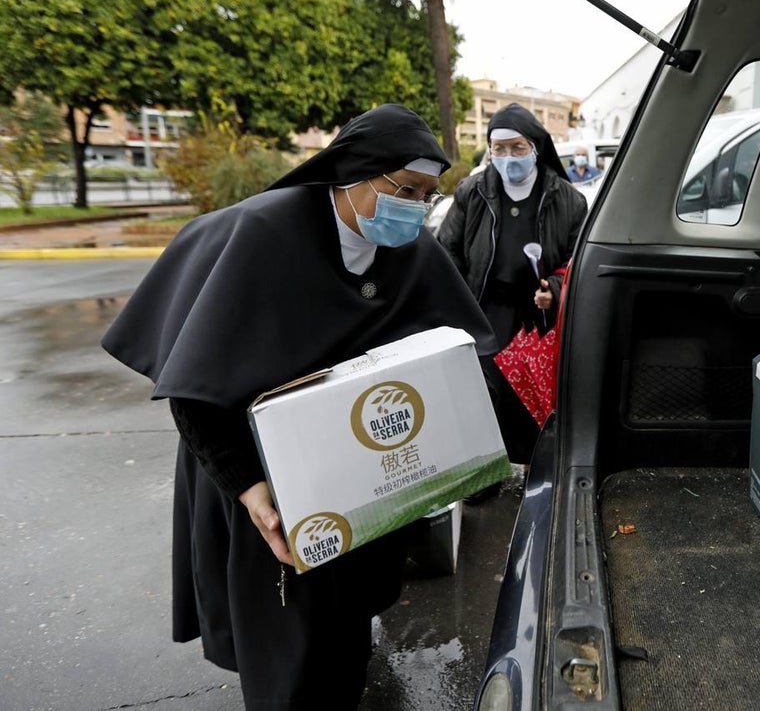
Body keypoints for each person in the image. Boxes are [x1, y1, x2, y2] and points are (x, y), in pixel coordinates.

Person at [101, 104, 497, 710]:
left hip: (356, 480)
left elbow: (451, 358)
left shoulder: (410, 251)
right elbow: (195, 390)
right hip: (259, 480)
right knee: (286, 660)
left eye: (427, 195)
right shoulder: (262, 237)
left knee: (345, 641)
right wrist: (252, 492)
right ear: (353, 176)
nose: (416, 210)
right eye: (406, 191)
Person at [437, 103, 588, 473]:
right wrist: (456, 307)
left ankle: (534, 473)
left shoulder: (567, 199)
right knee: (484, 397)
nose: (508, 158)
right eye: (498, 149)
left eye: (517, 148)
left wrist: (553, 287)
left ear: (535, 147)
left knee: (531, 400)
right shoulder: (472, 192)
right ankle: (485, 473)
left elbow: (578, 259)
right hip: (484, 313)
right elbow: (446, 252)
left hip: (537, 318)